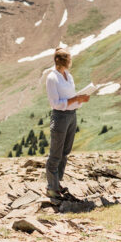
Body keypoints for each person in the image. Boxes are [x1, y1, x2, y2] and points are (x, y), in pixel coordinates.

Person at [43, 48, 90, 200]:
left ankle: (57, 183)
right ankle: (51, 187)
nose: (71, 61)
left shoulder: (68, 76)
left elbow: (71, 96)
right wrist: (75, 100)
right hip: (60, 116)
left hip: (71, 115)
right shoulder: (52, 78)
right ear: (63, 60)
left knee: (65, 151)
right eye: (69, 58)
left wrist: (80, 100)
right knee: (56, 153)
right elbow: (55, 103)